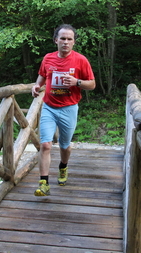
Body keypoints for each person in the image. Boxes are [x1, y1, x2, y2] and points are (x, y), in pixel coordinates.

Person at [31, 24, 96, 196]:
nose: (65, 42)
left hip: (69, 108)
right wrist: (37, 85)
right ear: (56, 40)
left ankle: (63, 167)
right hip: (49, 107)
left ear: (74, 42)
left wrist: (77, 82)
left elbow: (92, 84)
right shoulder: (48, 58)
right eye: (62, 38)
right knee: (45, 144)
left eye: (69, 39)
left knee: (65, 145)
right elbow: (43, 76)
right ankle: (43, 183)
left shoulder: (81, 60)